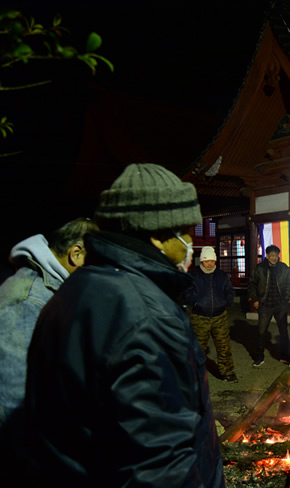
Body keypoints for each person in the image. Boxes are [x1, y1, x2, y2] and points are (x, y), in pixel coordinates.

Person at [8, 163, 225, 487]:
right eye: (187, 230)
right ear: (158, 234)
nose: (191, 243)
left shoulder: (79, 287)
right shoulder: (146, 314)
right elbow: (159, 465)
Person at [0, 218, 97, 427]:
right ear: (76, 254)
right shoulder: (27, 299)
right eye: (97, 264)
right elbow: (12, 396)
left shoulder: (51, 291)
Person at [185, 246, 237, 382]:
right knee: (197, 347)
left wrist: (226, 302)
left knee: (224, 346)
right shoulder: (193, 276)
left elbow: (230, 291)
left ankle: (228, 372)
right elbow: (186, 293)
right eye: (206, 261)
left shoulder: (222, 276)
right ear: (201, 261)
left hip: (219, 316)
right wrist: (195, 302)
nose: (209, 263)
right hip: (200, 317)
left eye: (212, 260)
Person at [248, 244, 290, 366]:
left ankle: (284, 356)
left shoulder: (283, 268)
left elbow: (289, 283)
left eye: (276, 255)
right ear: (267, 256)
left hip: (280, 305)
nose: (274, 258)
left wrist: (287, 297)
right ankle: (259, 356)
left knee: (283, 331)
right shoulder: (259, 268)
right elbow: (251, 284)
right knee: (261, 332)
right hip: (265, 305)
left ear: (278, 256)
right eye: (271, 255)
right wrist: (255, 299)